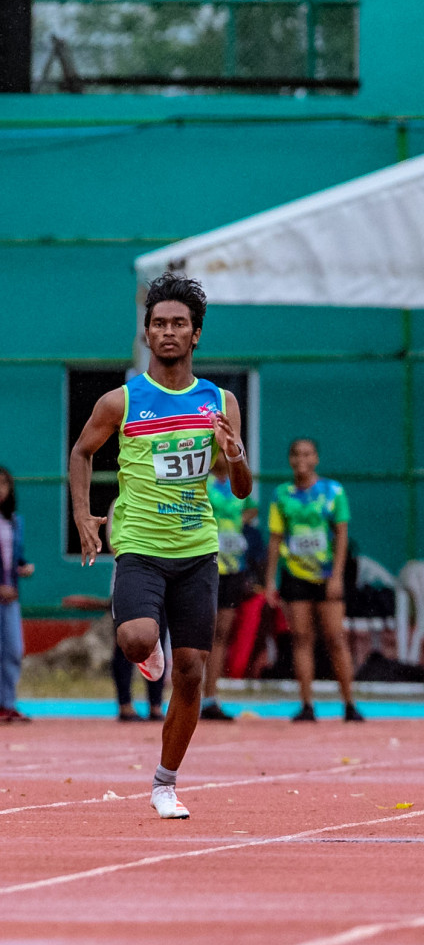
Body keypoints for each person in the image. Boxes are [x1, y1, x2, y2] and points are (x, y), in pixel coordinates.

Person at [69, 273, 253, 819]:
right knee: (134, 640)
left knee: (193, 672)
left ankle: (165, 783)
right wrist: (84, 515)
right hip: (140, 546)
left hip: (197, 548)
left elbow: (241, 489)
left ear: (196, 335)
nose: (168, 332)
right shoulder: (121, 401)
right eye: (158, 323)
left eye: (179, 324)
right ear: (147, 333)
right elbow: (82, 453)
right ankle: (150, 651)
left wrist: (235, 454)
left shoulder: (219, 401)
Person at [263, 438, 363, 723]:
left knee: (335, 638)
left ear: (316, 458)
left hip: (327, 574)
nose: (301, 459)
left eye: (307, 454)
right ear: (289, 459)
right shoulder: (282, 494)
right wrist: (270, 580)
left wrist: (337, 576)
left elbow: (342, 534)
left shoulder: (333, 491)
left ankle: (349, 704)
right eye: (295, 454)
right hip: (295, 575)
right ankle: (307, 704)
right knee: (301, 638)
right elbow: (275, 538)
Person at [204, 455, 258, 721]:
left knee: (222, 632)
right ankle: (191, 693)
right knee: (202, 631)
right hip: (205, 564)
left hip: (233, 567)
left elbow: (252, 507)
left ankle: (210, 697)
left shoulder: (237, 482)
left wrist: (237, 527)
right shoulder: (201, 480)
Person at [0, 466, 35, 722]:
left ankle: (7, 703)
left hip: (11, 596)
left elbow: (14, 556)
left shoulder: (14, 521)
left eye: (4, 484)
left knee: (13, 649)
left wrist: (23, 567)